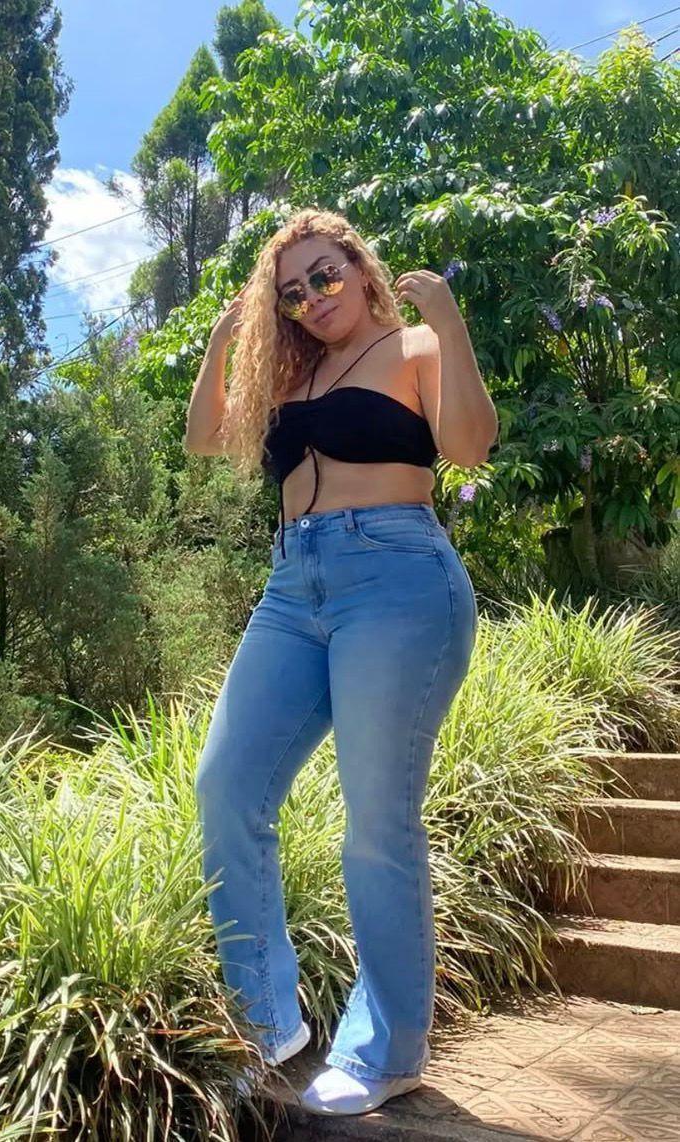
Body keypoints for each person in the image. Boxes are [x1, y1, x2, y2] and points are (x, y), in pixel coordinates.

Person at [183, 208, 498, 1116]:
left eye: (325, 276)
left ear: (361, 269)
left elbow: (470, 446)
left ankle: (389, 1050)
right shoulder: (291, 376)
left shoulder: (414, 349)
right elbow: (206, 438)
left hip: (397, 579)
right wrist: (221, 343)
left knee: (376, 821)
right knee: (226, 787)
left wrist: (450, 324)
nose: (313, 299)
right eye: (292, 294)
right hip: (293, 587)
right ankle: (266, 1025)